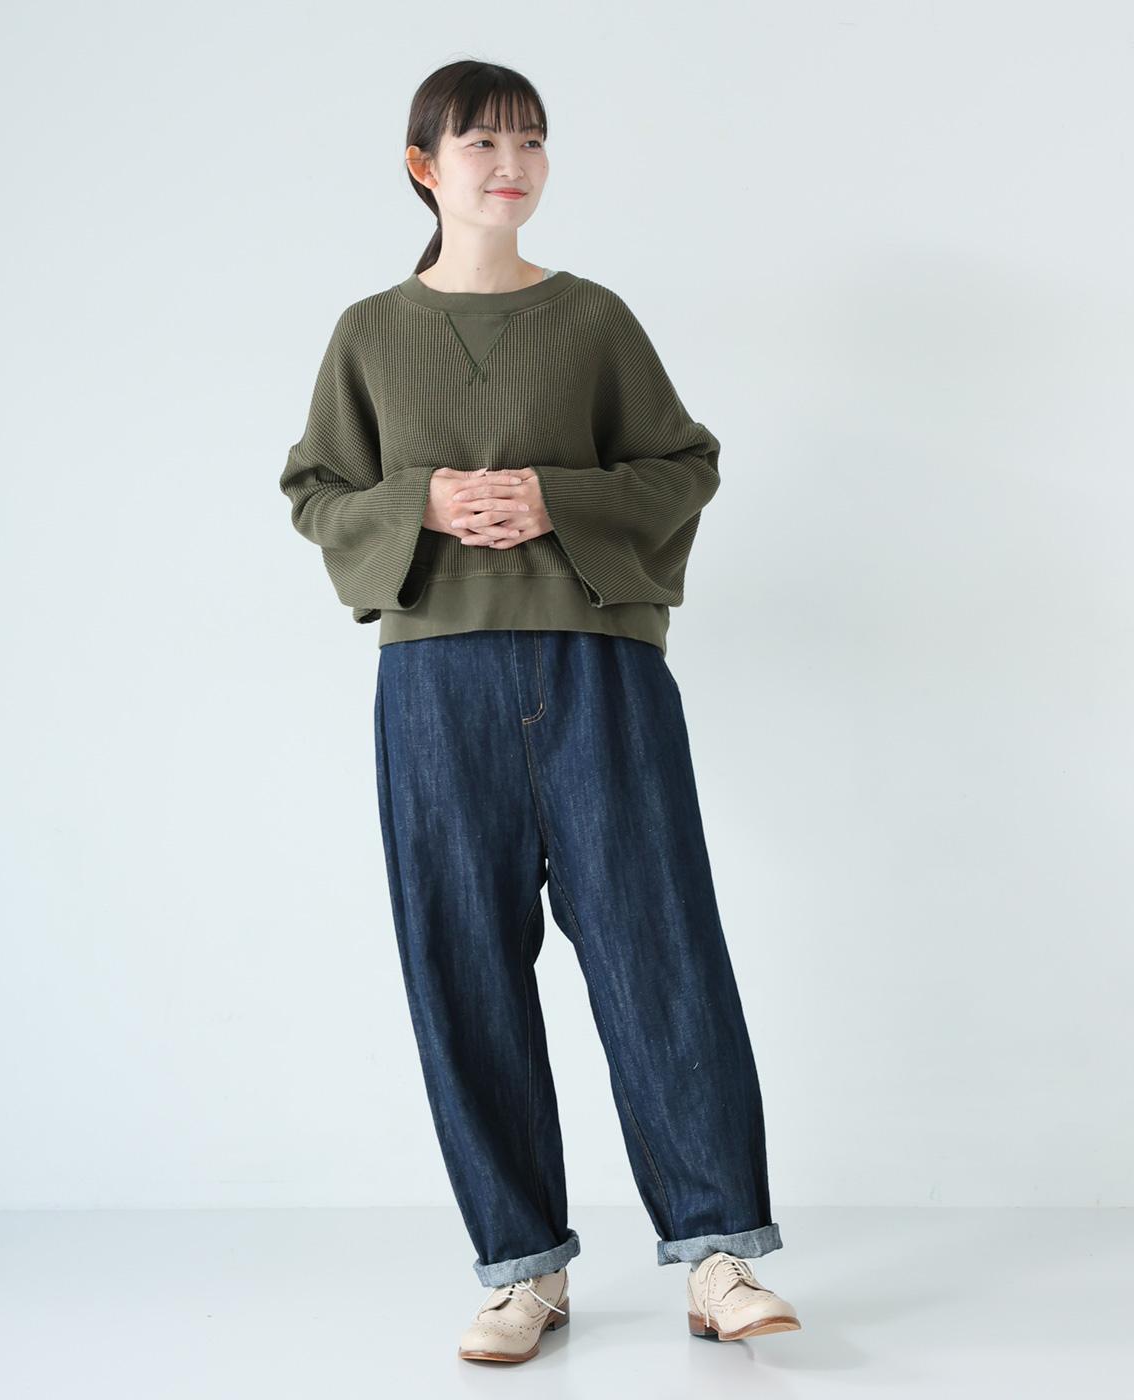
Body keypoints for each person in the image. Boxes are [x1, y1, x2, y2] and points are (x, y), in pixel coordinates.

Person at [279, 57, 801, 1364]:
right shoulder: (370, 332)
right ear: (424, 166)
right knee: (461, 959)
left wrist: (556, 495)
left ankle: (718, 1253)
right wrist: (420, 503)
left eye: (530, 141)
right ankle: (523, 1270)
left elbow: (684, 464)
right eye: (481, 143)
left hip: (598, 666)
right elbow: (315, 491)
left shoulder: (591, 319)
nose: (510, 164)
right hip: (437, 681)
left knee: (657, 945)